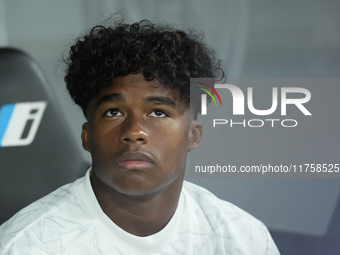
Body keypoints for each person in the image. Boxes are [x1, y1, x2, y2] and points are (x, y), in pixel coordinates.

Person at [0, 20, 280, 254]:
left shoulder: (244, 239)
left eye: (158, 113)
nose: (134, 132)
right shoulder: (26, 246)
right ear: (87, 136)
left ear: (193, 136)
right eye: (113, 112)